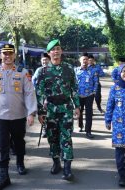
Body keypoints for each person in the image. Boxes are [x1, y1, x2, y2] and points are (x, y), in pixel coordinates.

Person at [0, 44, 37, 190]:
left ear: (14, 55)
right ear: (0, 55)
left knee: (18, 142)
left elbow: (29, 93)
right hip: (0, 116)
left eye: (10, 53)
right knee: (2, 145)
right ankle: (4, 177)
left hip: (18, 115)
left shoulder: (23, 72)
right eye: (4, 53)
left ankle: (20, 163)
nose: (7, 56)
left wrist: (31, 112)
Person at [35, 39, 80, 181]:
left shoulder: (68, 68)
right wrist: (41, 112)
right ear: (48, 53)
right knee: (52, 138)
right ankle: (56, 163)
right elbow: (40, 93)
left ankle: (67, 169)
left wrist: (77, 106)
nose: (56, 52)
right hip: (50, 110)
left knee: (66, 137)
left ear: (61, 51)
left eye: (58, 49)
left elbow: (74, 88)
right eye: (53, 50)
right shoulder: (43, 71)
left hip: (66, 108)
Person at [75, 52, 98, 139]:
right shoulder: (76, 70)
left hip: (89, 95)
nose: (85, 61)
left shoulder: (93, 71)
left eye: (87, 59)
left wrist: (94, 92)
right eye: (83, 59)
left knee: (88, 114)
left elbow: (96, 82)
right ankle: (80, 126)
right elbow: (73, 82)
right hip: (78, 95)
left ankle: (88, 131)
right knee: (79, 112)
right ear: (80, 60)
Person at [32, 53, 50, 138]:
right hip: (40, 96)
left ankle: (51, 129)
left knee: (50, 113)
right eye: (43, 60)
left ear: (49, 60)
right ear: (41, 61)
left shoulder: (52, 69)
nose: (44, 61)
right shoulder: (38, 70)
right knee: (42, 114)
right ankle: (44, 129)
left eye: (46, 60)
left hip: (50, 96)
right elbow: (33, 81)